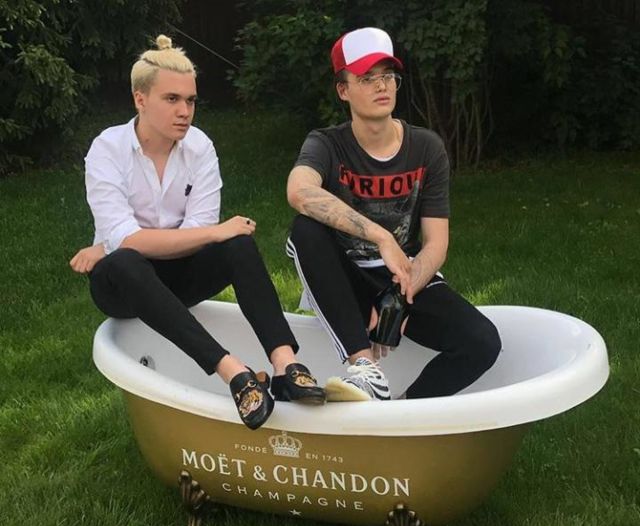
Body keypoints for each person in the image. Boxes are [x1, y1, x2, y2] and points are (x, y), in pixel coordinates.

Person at [69, 35, 325, 430]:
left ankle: (285, 365)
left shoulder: (200, 147)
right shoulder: (108, 149)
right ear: (140, 99)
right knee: (125, 260)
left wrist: (207, 235)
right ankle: (234, 373)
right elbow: (133, 242)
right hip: (123, 288)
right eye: (172, 99)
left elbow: (190, 235)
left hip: (176, 275)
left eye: (190, 100)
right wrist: (207, 233)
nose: (184, 111)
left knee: (237, 244)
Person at [285, 27, 502, 401]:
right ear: (343, 90)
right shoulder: (327, 143)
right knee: (305, 229)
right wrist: (381, 236)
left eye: (387, 75)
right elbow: (299, 191)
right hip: (344, 277)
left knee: (482, 341)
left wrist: (397, 297)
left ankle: (404, 413)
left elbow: (436, 244)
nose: (381, 86)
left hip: (405, 274)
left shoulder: (426, 147)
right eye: (367, 78)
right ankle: (364, 367)